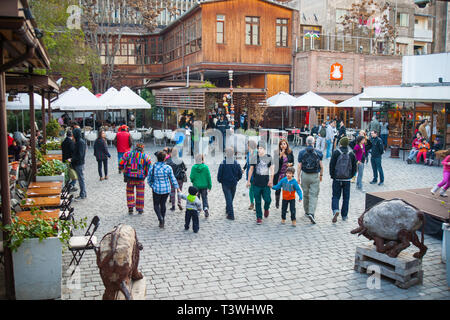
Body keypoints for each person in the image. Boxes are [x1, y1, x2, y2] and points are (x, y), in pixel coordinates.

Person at [147, 151, 180, 228]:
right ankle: (163, 220)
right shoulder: (168, 167)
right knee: (163, 204)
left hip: (156, 189)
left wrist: (152, 186)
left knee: (156, 205)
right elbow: (173, 179)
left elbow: (149, 179)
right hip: (166, 189)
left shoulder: (153, 167)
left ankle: (160, 218)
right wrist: (177, 188)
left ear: (157, 158)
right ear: (165, 158)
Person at [330, 137, 357, 223]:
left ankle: (335, 210)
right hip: (347, 179)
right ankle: (344, 215)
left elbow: (332, 165)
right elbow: (354, 167)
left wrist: (333, 176)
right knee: (346, 198)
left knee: (335, 196)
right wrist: (351, 176)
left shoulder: (336, 152)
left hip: (337, 178)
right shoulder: (351, 153)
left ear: (340, 143)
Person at [120, 143, 152, 215]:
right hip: (140, 178)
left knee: (129, 192)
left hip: (129, 177)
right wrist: (146, 174)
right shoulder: (145, 156)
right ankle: (140, 209)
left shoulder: (127, 154)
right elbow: (149, 167)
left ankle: (130, 208)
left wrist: (123, 169)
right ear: (142, 149)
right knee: (140, 193)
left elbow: (120, 162)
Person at [297, 136, 323, 224]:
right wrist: (321, 175)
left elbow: (299, 166)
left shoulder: (301, 152)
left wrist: (298, 177)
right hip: (315, 175)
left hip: (304, 175)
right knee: (314, 195)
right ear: (314, 142)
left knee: (305, 194)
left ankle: (307, 211)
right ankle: (312, 212)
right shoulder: (319, 152)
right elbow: (322, 166)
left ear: (306, 142)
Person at [247, 141, 274, 225]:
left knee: (268, 199)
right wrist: (248, 181)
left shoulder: (269, 157)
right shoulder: (254, 157)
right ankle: (259, 217)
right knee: (257, 201)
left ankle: (266, 208)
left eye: (261, 148)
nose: (259, 150)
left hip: (266, 183)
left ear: (265, 149)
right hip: (256, 183)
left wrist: (271, 180)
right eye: (258, 148)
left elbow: (272, 169)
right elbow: (251, 169)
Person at [217, 147, 243, 220]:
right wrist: (236, 179)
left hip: (225, 184)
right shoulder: (236, 163)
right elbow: (240, 174)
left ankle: (231, 215)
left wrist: (220, 180)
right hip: (233, 183)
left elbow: (219, 174)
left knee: (229, 199)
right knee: (230, 198)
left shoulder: (223, 163)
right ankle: (228, 210)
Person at [273, 139, 294, 209]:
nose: (283, 145)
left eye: (284, 144)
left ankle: (285, 205)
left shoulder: (290, 152)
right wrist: (280, 156)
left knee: (287, 190)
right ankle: (277, 202)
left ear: (287, 145)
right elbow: (275, 163)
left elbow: (293, 162)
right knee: (278, 189)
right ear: (279, 146)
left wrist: (290, 164)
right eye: (281, 144)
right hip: (279, 174)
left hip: (287, 174)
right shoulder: (276, 152)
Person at [166, 147, 187, 211]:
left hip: (172, 178)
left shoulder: (168, 161)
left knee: (172, 192)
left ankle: (173, 206)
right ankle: (179, 202)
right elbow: (185, 168)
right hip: (180, 178)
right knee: (179, 190)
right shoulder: (180, 160)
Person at [71, 128, 87, 200]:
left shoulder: (79, 142)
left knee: (81, 179)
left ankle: (82, 194)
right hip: (79, 163)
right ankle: (83, 193)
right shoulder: (80, 141)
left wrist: (73, 159)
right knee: (81, 179)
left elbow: (80, 155)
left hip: (79, 163)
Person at [243, 139, 258, 210]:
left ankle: (257, 203)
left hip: (255, 174)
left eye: (248, 145)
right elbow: (247, 162)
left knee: (256, 189)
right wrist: (244, 168)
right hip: (249, 173)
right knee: (251, 189)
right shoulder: (249, 153)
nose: (247, 147)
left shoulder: (256, 153)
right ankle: (252, 203)